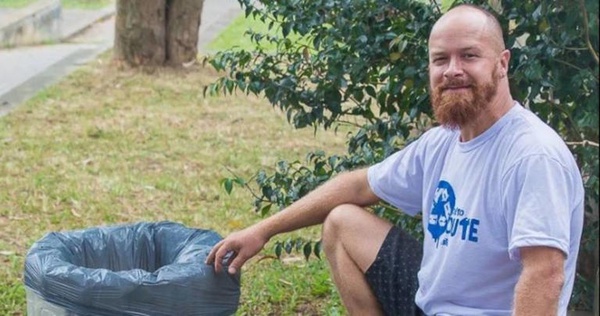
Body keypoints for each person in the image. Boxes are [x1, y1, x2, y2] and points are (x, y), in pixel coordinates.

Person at [206, 4, 584, 316]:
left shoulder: (531, 155)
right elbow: (357, 186)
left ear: (502, 63)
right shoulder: (443, 142)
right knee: (342, 221)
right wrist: (263, 230)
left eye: (469, 55)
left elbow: (545, 275)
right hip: (431, 304)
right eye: (440, 59)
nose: (452, 70)